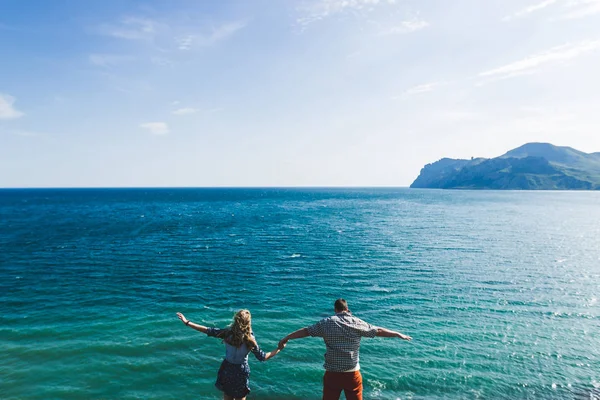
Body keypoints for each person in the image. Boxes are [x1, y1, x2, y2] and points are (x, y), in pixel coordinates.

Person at [278, 299, 411, 400]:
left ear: (335, 309)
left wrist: (286, 338)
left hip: (332, 374)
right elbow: (378, 331)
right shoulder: (357, 322)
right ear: (347, 309)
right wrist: (397, 334)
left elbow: (306, 331)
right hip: (352, 374)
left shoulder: (326, 322)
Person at [177, 310, 284, 400]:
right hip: (241, 370)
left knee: (227, 397)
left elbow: (207, 330)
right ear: (248, 323)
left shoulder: (227, 333)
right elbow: (263, 357)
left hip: (227, 368)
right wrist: (278, 349)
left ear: (236, 320)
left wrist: (187, 322)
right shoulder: (250, 340)